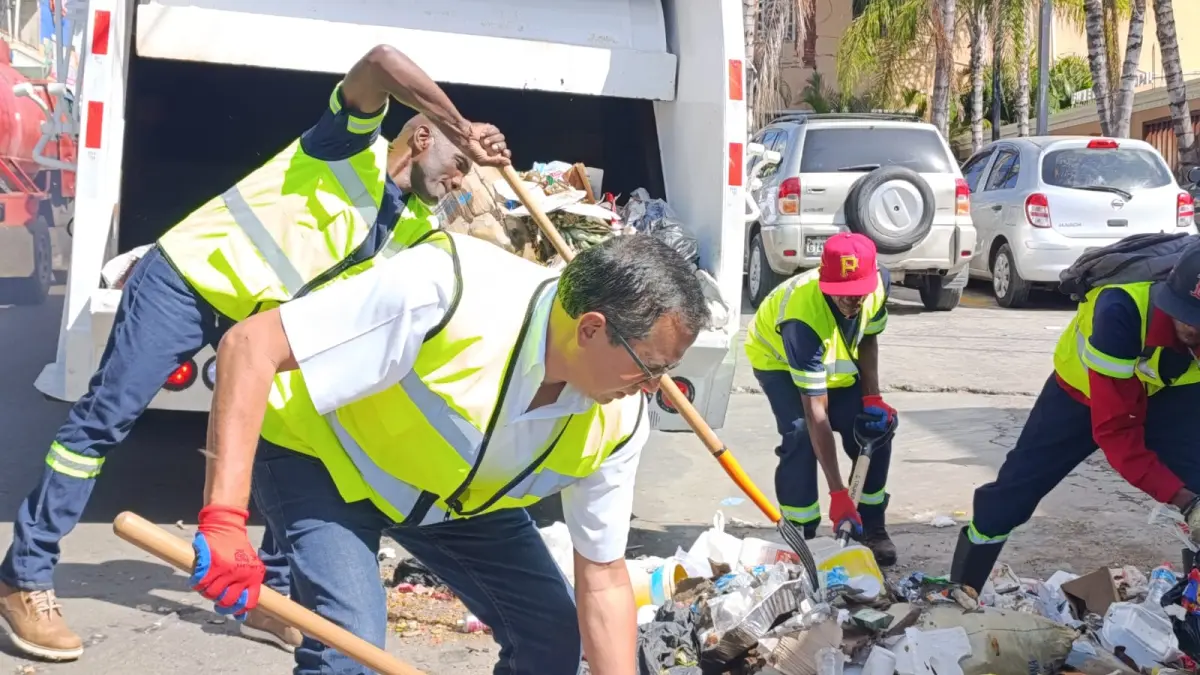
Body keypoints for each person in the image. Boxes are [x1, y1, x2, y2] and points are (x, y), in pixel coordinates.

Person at [0, 44, 510, 661]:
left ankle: (263, 595)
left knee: (293, 440)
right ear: (424, 136)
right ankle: (24, 575)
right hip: (188, 281)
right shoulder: (346, 145)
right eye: (458, 166)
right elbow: (380, 61)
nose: (459, 182)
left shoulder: (412, 230)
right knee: (106, 418)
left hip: (255, 331)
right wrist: (465, 124)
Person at [188, 230, 708, 675]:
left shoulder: (617, 421)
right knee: (352, 651)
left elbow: (603, 576)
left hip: (452, 500)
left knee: (549, 640)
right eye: (649, 366)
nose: (652, 387)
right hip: (325, 461)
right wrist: (224, 520)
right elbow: (250, 347)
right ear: (591, 328)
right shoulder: (448, 291)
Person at [951, 241, 1200, 593]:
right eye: (1189, 320)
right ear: (1170, 298)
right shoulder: (1121, 310)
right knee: (1012, 494)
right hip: (1079, 394)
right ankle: (960, 593)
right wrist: (1184, 501)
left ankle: (1194, 613)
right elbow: (1116, 432)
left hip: (1167, 393)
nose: (1195, 330)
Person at [743, 232, 899, 565]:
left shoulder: (880, 283)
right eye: (842, 294)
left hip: (836, 363)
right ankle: (801, 533)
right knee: (800, 433)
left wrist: (873, 397)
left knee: (875, 429)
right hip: (781, 363)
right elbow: (817, 414)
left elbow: (869, 337)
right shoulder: (801, 319)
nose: (852, 301)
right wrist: (838, 493)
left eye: (858, 293)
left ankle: (873, 526)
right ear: (823, 280)